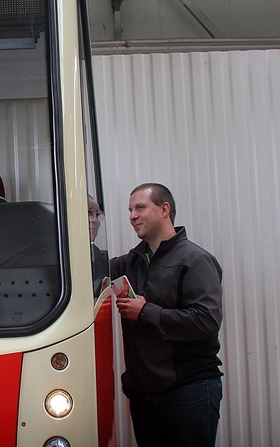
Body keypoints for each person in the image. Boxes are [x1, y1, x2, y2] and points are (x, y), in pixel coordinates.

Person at [110, 183, 223, 447]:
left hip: (189, 391)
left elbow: (206, 321)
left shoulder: (195, 260)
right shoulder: (131, 262)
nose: (132, 216)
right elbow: (86, 267)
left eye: (140, 207)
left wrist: (145, 312)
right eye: (130, 210)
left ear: (164, 210)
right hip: (144, 395)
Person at [88, 195, 109, 296]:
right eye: (88, 212)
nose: (95, 220)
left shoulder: (104, 261)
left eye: (97, 215)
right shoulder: (54, 260)